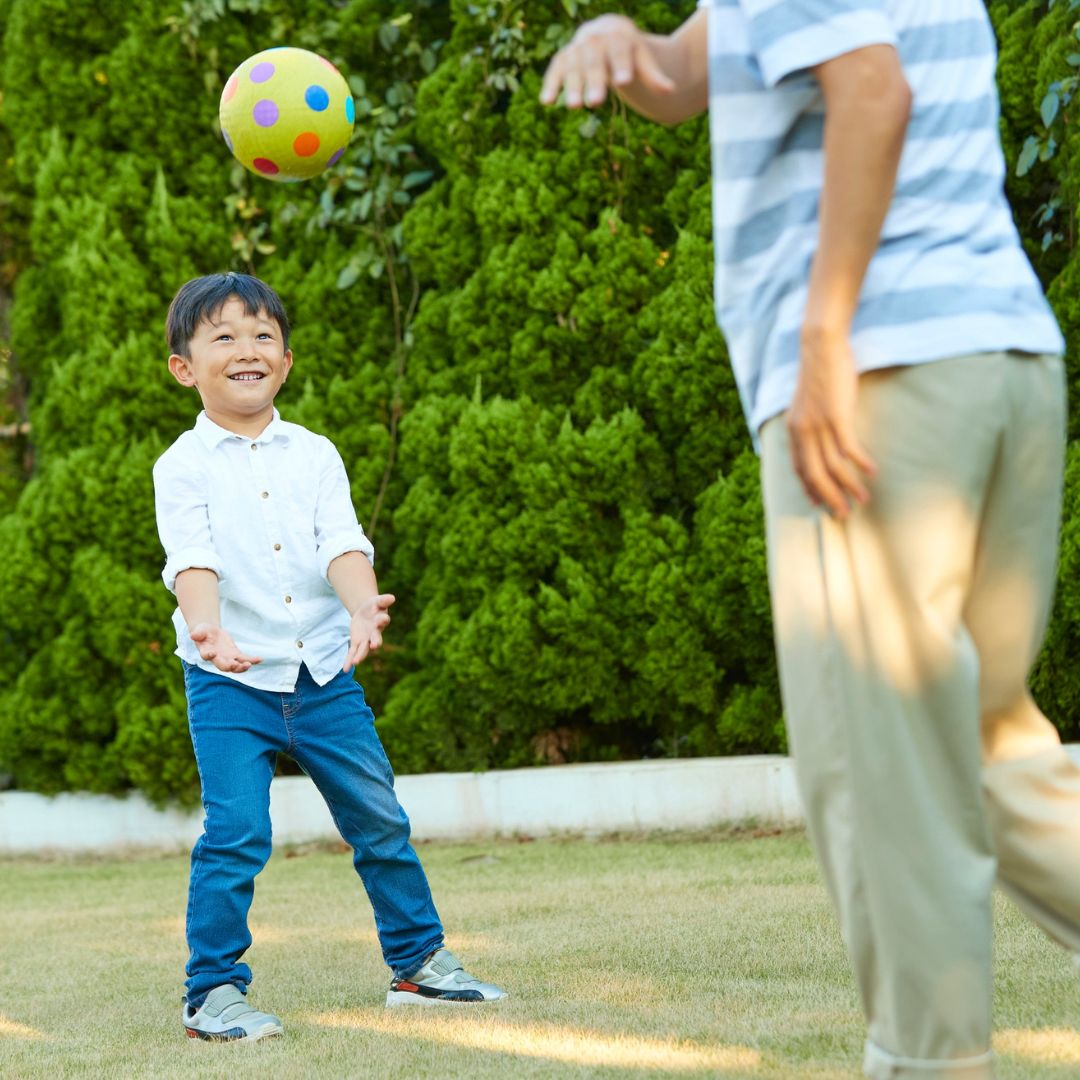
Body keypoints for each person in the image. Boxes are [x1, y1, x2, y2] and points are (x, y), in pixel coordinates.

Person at [542, 4, 1080, 1078]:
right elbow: (688, 71)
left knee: (882, 776)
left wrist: (825, 333)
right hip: (997, 357)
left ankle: (927, 1064)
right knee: (982, 752)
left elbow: (872, 89)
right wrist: (624, 44)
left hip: (884, 376)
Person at [153, 272, 506, 1042]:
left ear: (284, 359)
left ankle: (419, 966)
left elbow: (341, 542)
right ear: (184, 366)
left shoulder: (314, 453)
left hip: (320, 675)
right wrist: (205, 626)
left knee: (379, 818)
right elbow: (192, 557)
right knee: (238, 831)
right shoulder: (183, 464)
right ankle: (212, 993)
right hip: (229, 681)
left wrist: (359, 604)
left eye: (263, 336)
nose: (247, 349)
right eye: (224, 336)